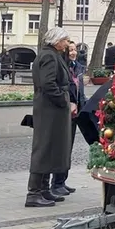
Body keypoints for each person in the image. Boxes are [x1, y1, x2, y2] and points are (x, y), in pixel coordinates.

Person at [26, 28, 76, 208]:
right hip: (50, 110)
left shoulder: (51, 55)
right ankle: (34, 193)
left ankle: (44, 190)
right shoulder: (49, 56)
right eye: (65, 40)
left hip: (51, 109)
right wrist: (63, 100)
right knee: (44, 149)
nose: (67, 43)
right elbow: (48, 83)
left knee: (50, 148)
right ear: (56, 40)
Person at [51, 40, 88, 196]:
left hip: (75, 113)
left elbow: (81, 92)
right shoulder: (64, 68)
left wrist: (84, 106)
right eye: (70, 50)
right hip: (64, 112)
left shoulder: (78, 68)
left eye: (75, 50)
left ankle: (62, 181)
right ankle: (55, 183)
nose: (73, 52)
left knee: (68, 149)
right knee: (61, 149)